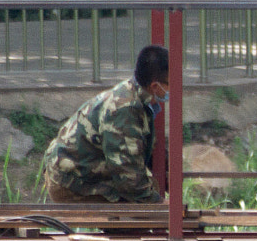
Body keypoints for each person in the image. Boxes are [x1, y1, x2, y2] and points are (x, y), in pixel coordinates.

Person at [42, 44, 169, 203]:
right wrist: (159, 204)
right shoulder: (125, 110)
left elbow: (146, 151)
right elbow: (128, 175)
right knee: (135, 211)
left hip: (84, 171)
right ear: (155, 86)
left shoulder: (140, 97)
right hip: (70, 183)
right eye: (171, 84)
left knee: (150, 187)